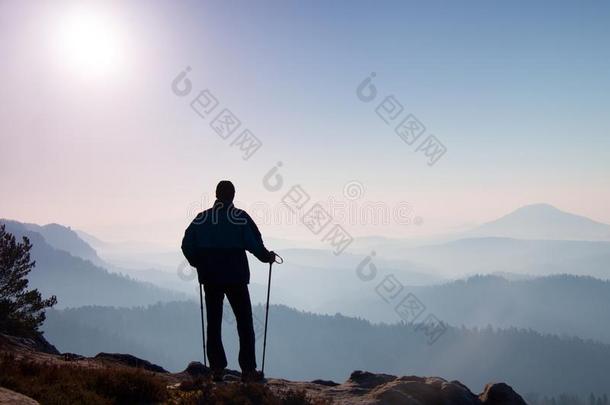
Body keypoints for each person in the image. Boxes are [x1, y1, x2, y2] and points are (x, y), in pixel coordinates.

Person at [181, 180, 275, 383]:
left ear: (216, 194)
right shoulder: (240, 217)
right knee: (244, 322)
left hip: (210, 276)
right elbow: (254, 243)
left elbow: (187, 243)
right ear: (233, 195)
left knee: (213, 322)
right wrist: (267, 257)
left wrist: (198, 262)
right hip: (236, 275)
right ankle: (248, 371)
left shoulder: (202, 218)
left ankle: (216, 369)